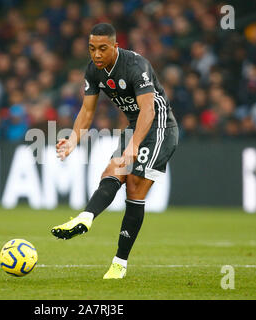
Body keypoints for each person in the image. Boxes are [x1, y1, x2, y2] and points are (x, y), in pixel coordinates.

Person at [51, 23, 179, 279]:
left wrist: (132, 147)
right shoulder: (92, 71)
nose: (96, 54)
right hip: (135, 128)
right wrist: (73, 139)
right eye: (92, 49)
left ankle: (119, 263)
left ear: (115, 46)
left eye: (102, 48)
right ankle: (86, 217)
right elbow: (87, 111)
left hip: (160, 128)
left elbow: (149, 110)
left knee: (133, 187)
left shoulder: (135, 66)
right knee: (111, 171)